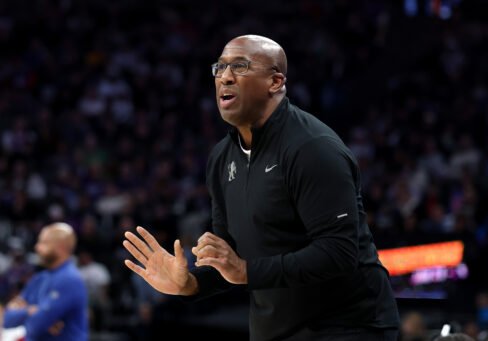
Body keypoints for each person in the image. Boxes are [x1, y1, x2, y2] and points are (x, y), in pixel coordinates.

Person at [123, 34, 400, 340]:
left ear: (275, 81)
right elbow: (231, 258)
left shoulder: (313, 148)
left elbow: (339, 252)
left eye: (240, 67)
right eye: (220, 67)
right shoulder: (220, 158)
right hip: (275, 330)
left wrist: (246, 272)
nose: (225, 77)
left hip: (348, 327)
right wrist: (191, 283)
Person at [2, 222, 88, 341]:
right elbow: (7, 319)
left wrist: (29, 312)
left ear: (60, 247)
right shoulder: (39, 278)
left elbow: (35, 327)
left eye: (43, 243)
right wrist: (32, 311)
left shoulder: (70, 279)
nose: (37, 247)